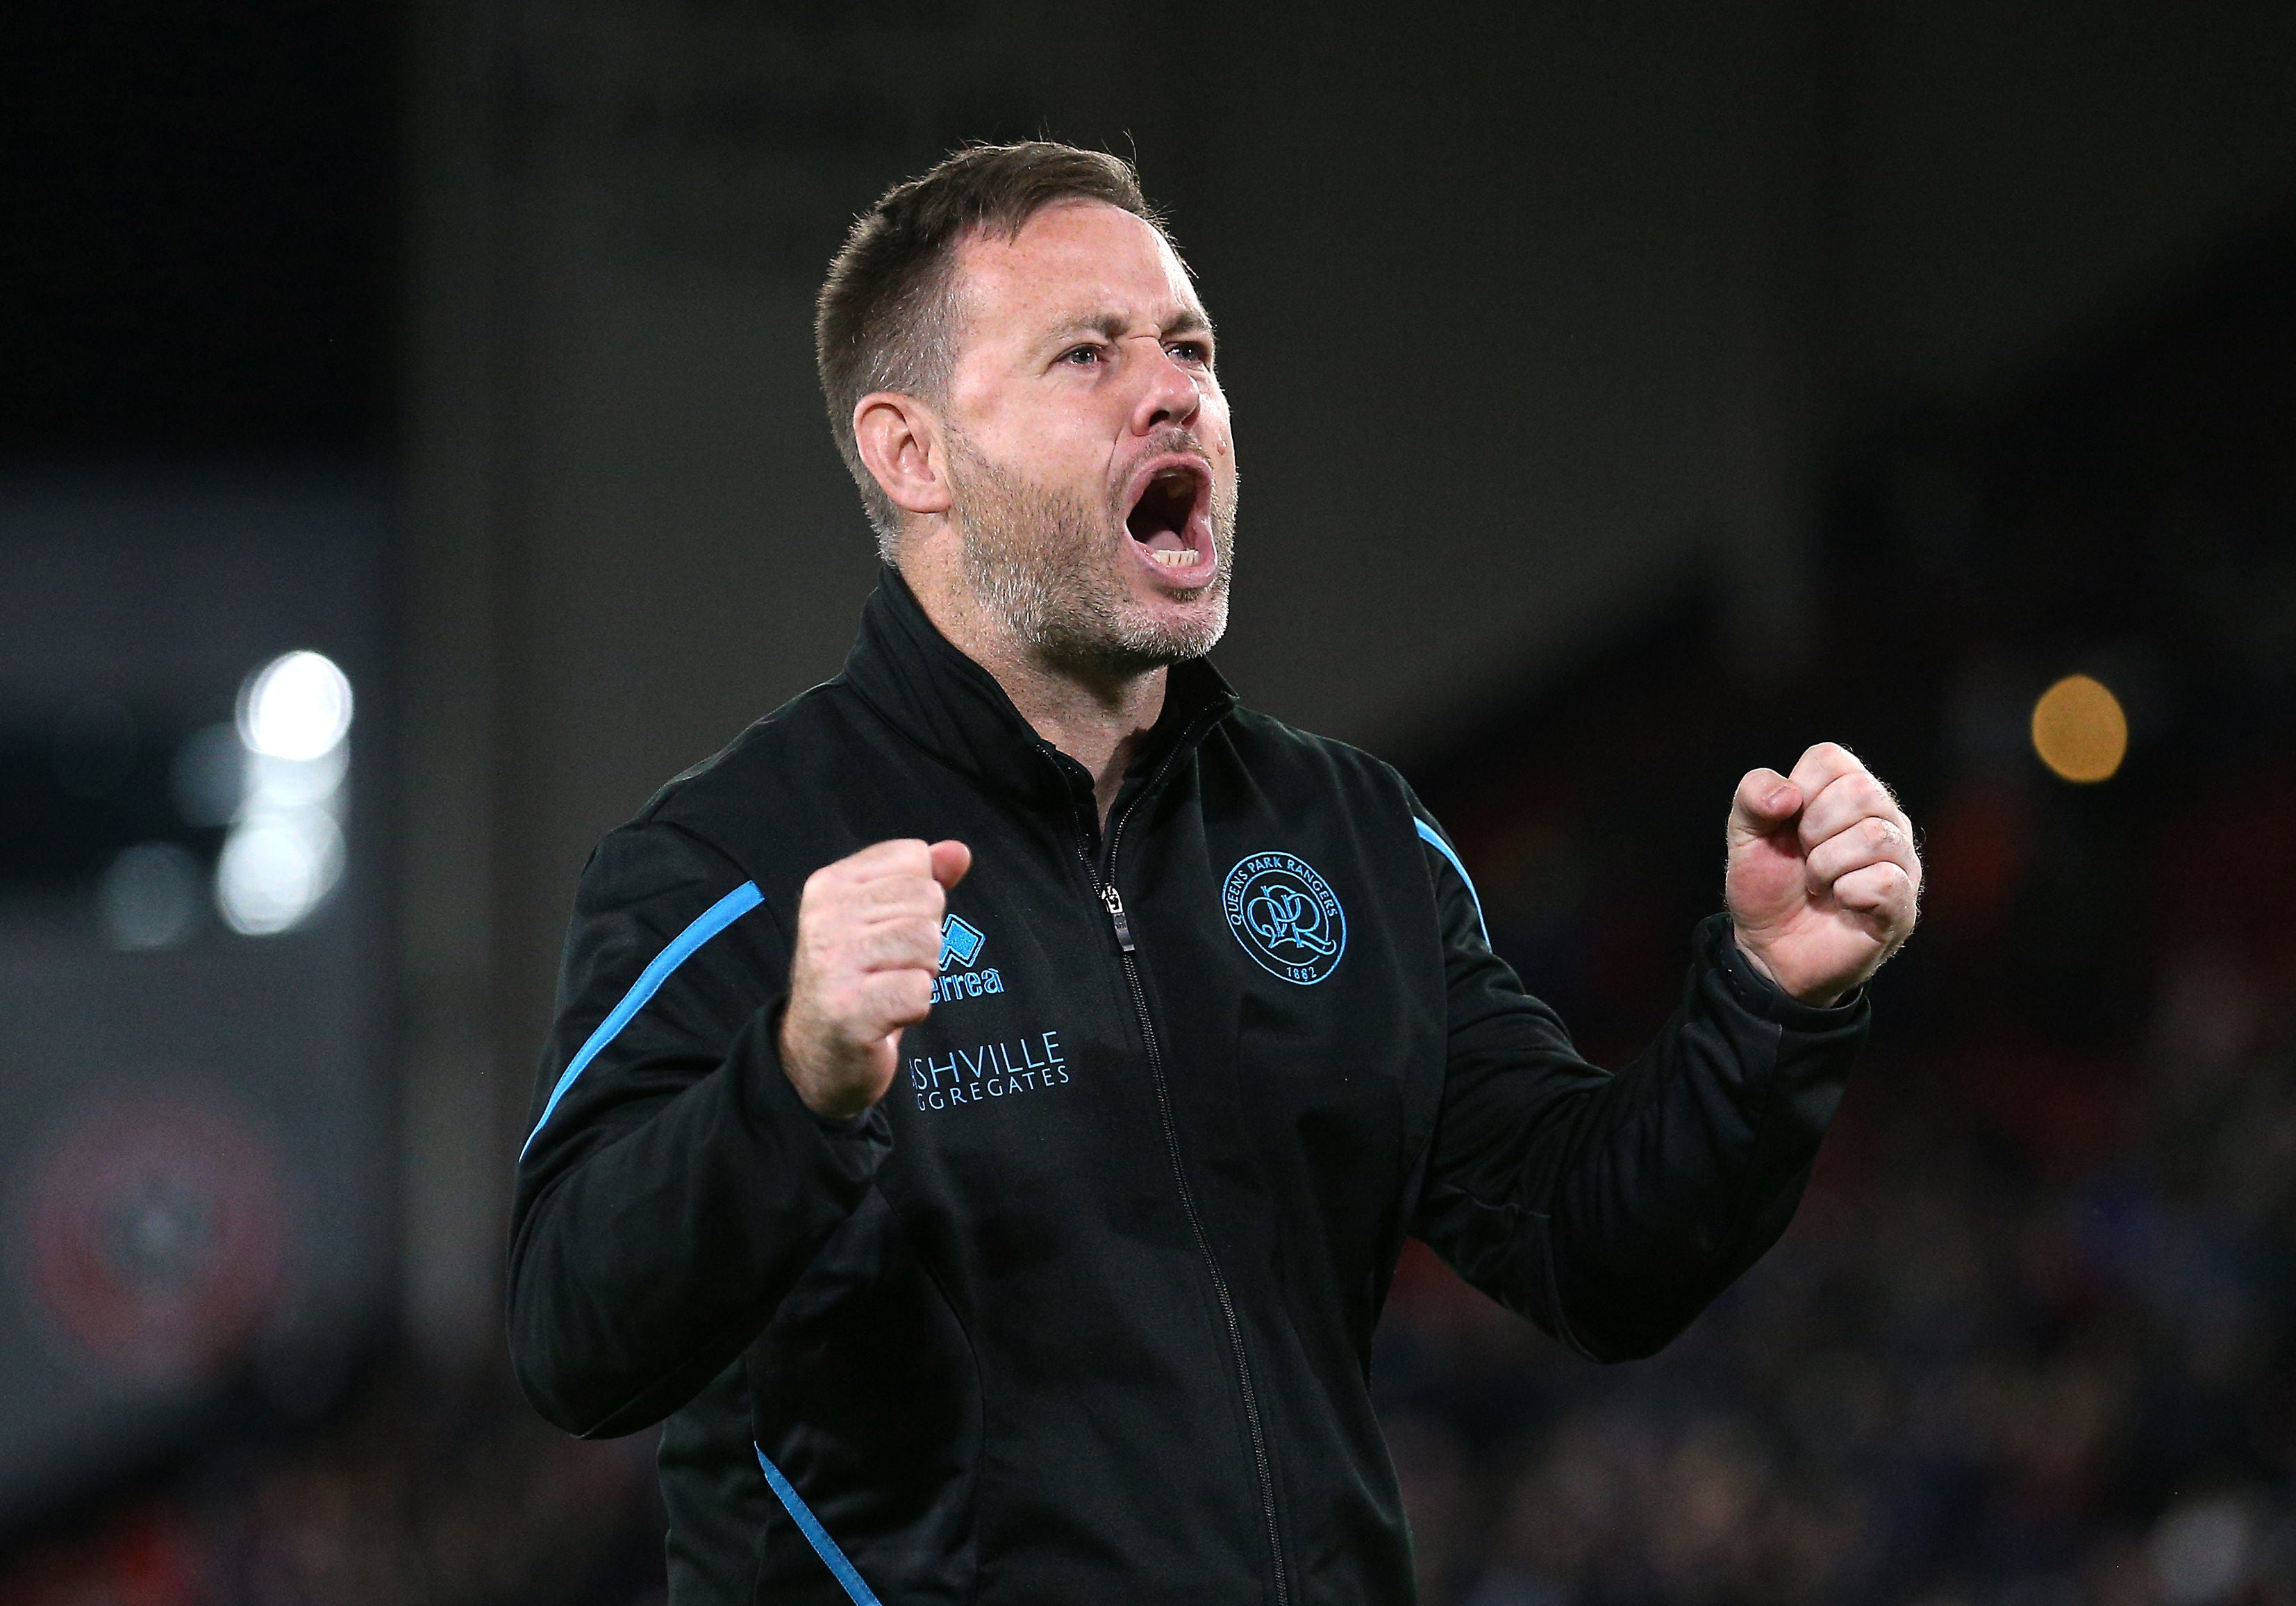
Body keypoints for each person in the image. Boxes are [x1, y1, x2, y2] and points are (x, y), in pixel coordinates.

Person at [507, 142, 1921, 1606]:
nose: (1172, 386)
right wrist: (791, 1083)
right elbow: (570, 1338)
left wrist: (1769, 1003)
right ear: (911, 452)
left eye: (1191, 344)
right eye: (1085, 353)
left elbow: (1595, 1251)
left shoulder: (1351, 836)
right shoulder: (734, 863)